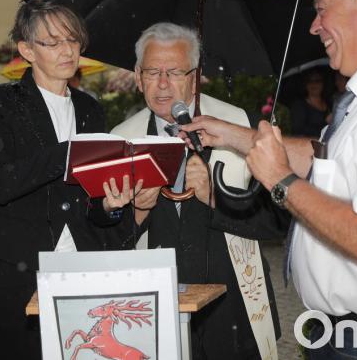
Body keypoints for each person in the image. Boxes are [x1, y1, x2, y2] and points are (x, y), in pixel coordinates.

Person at [181, 0, 357, 358]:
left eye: (320, 10)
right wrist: (239, 137)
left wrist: (281, 181)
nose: (313, 27)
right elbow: (328, 160)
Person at [0, 0, 141, 360]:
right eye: (53, 42)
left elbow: (92, 202)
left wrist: (110, 205)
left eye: (73, 40)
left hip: (82, 263)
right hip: (17, 266)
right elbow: (0, 183)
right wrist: (67, 152)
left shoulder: (90, 109)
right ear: (27, 50)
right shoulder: (1, 101)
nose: (68, 51)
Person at [110, 22, 282, 360]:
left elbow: (274, 220)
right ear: (136, 75)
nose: (161, 84)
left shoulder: (239, 126)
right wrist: (137, 212)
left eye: (173, 72)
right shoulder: (120, 138)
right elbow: (105, 237)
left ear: (194, 75)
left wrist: (214, 195)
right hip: (154, 307)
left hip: (231, 304)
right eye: (151, 72)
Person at [290, 68, 330, 138]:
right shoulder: (299, 106)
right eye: (309, 81)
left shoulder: (330, 103)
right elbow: (298, 131)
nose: (313, 84)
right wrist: (325, 123)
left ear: (323, 83)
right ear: (305, 84)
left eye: (317, 81)